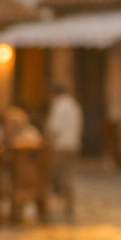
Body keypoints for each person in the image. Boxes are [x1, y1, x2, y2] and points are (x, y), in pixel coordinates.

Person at [45, 85, 83, 222]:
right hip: (73, 145)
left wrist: (46, 141)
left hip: (60, 146)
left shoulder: (59, 106)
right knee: (68, 174)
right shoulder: (74, 105)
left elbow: (54, 128)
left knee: (57, 174)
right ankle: (68, 204)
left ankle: (61, 202)